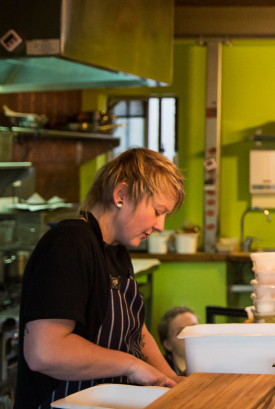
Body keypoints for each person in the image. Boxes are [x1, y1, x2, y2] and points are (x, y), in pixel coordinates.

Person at [15, 148, 185, 409]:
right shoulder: (70, 243)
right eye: (157, 211)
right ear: (121, 195)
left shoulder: (116, 252)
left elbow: (136, 332)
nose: (161, 226)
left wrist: (172, 381)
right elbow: (44, 352)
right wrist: (131, 365)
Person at [157, 306, 199, 376]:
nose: (191, 335)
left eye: (194, 328)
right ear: (168, 344)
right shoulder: (160, 374)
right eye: (181, 332)